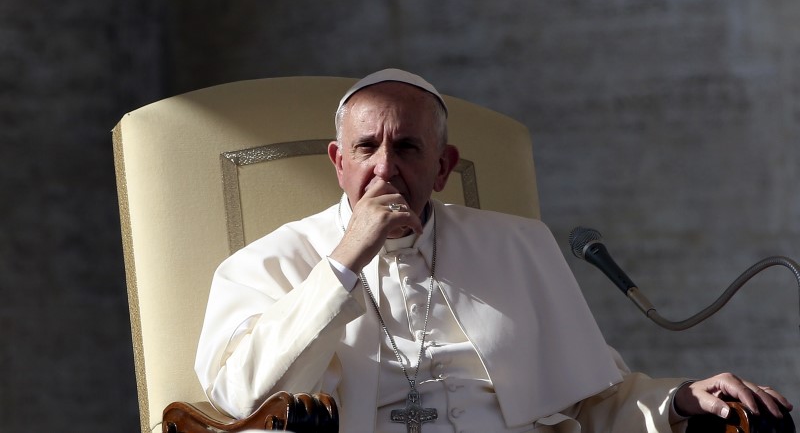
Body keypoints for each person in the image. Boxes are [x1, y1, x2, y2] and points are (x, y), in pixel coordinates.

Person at [195, 68, 792, 432]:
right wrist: (344, 262)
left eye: (406, 147)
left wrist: (680, 400)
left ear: (443, 167)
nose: (385, 167)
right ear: (338, 161)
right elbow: (239, 395)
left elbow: (590, 405)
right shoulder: (269, 263)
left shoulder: (518, 246)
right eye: (365, 148)